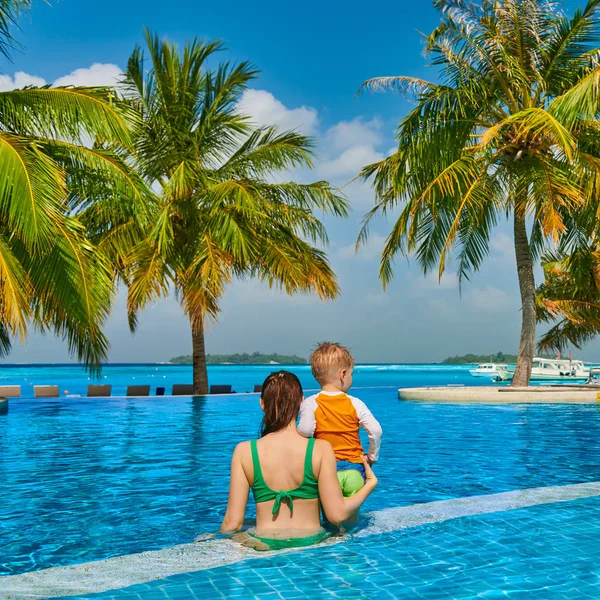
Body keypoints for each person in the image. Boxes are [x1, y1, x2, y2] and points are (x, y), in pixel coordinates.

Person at [220, 370, 377, 550]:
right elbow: (337, 515)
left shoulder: (244, 451)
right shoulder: (320, 448)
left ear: (262, 404)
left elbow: (232, 524)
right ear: (301, 402)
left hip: (263, 548)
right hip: (312, 547)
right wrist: (369, 485)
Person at [298, 342, 382, 501]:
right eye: (351, 373)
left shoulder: (311, 403)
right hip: (355, 470)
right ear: (343, 374)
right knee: (351, 518)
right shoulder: (356, 403)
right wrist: (371, 457)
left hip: (327, 470)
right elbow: (376, 431)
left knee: (330, 517)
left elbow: (306, 430)